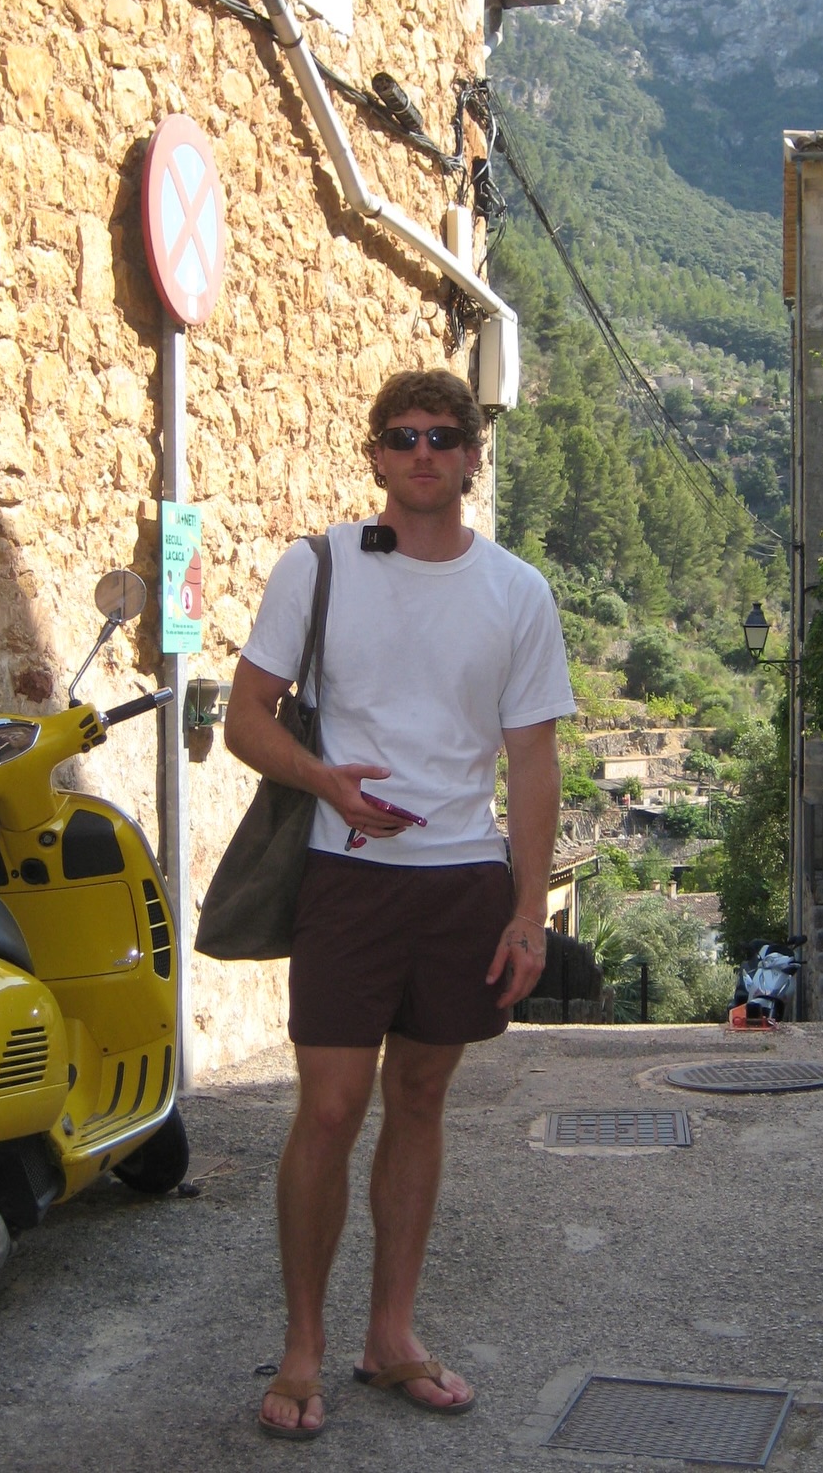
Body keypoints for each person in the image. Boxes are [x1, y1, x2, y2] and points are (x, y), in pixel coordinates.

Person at [223, 368, 575, 1442]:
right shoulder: (318, 566)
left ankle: (391, 1335)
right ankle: (302, 1347)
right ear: (376, 454)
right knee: (331, 1106)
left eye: (444, 436)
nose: (424, 453)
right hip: (348, 876)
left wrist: (527, 911)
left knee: (420, 1100)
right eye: (404, 436)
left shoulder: (517, 591)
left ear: (472, 456)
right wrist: (324, 783)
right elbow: (247, 718)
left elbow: (532, 761)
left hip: (463, 881)